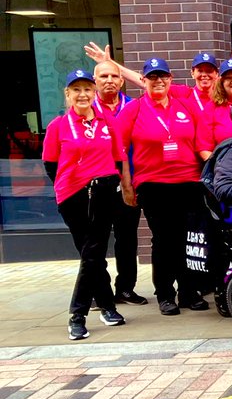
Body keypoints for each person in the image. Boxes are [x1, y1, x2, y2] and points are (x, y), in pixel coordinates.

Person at [114, 58, 206, 315]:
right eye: (152, 77)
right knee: (165, 239)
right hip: (154, 184)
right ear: (143, 81)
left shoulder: (185, 106)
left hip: (189, 181)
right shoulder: (133, 110)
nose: (158, 81)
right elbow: (119, 149)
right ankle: (165, 293)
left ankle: (189, 291)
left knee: (189, 238)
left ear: (170, 79)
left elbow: (199, 143)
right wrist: (127, 184)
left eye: (162, 76)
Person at [43, 69, 127, 339]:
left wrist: (121, 187)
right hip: (72, 197)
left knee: (93, 253)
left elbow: (118, 158)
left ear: (94, 93)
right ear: (67, 94)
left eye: (87, 89)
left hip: (103, 193)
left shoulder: (107, 121)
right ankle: (96, 308)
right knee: (91, 255)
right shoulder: (58, 126)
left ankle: (86, 312)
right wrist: (71, 185)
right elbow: (51, 164)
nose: (83, 95)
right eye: (76, 90)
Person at [92, 59, 146, 305]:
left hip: (129, 184)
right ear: (95, 82)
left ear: (122, 80)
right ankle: (97, 291)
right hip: (97, 186)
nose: (109, 81)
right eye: (103, 76)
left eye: (114, 76)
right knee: (97, 240)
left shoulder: (133, 106)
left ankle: (125, 288)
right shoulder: (87, 109)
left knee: (127, 238)